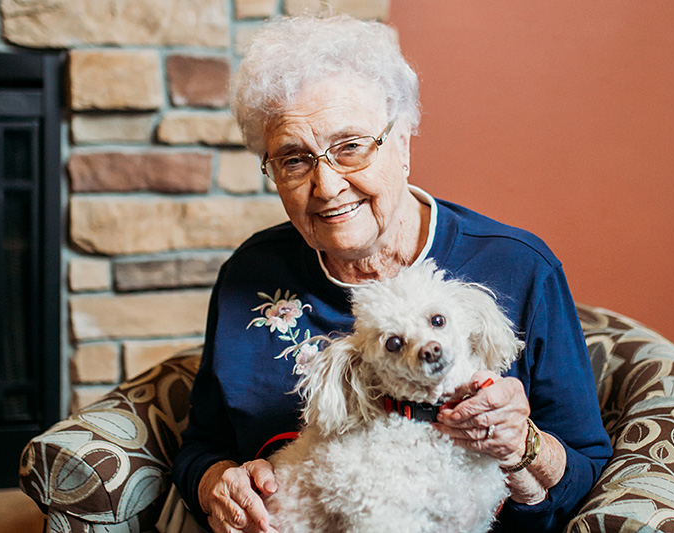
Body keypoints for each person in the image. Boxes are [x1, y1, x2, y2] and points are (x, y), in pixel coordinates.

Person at [172, 14, 612, 533]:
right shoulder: (249, 274)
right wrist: (218, 483)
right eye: (295, 159)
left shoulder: (518, 268)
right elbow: (201, 445)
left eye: (350, 146)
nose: (327, 185)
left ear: (402, 140)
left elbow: (587, 466)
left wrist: (523, 446)